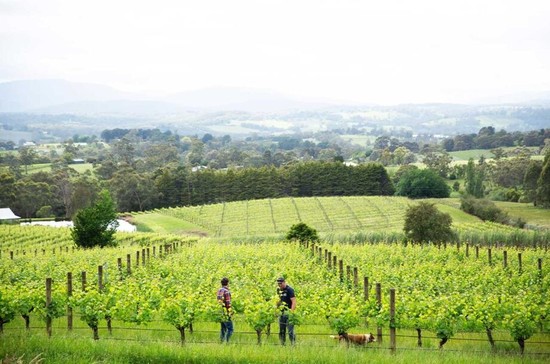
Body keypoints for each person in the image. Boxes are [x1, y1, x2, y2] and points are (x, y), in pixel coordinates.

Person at [276, 277, 296, 345]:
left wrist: (291, 312)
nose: (279, 285)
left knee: (290, 331)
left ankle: (293, 344)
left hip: (288, 312)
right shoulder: (278, 290)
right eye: (278, 284)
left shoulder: (290, 290)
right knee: (282, 330)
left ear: (284, 282)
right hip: (281, 313)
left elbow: (293, 301)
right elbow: (278, 300)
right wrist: (276, 310)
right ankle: (282, 344)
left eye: (281, 283)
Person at [217, 277, 233, 343]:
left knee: (223, 328)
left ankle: (221, 342)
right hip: (226, 312)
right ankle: (227, 342)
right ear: (228, 283)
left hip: (221, 312)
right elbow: (228, 303)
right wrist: (230, 312)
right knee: (230, 329)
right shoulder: (227, 291)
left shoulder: (219, 290)